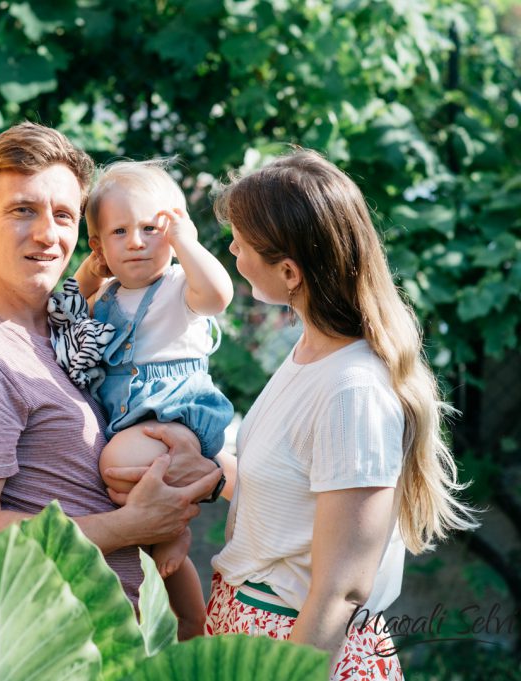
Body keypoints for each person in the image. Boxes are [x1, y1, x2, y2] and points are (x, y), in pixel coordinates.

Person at [0, 123, 222, 608]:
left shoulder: (65, 334)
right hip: (45, 650)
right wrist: (130, 526)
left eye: (63, 215)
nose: (47, 234)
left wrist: (188, 453)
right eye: (22, 210)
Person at [195, 150, 475, 679]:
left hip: (298, 651)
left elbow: (340, 590)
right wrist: (209, 472)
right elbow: (299, 501)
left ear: (289, 271)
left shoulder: (353, 391)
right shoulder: (309, 352)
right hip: (248, 633)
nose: (230, 248)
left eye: (242, 242)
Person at [50, 160, 233, 637]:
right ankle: (192, 621)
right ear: (99, 246)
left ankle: (174, 530)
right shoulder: (106, 295)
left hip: (177, 411)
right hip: (131, 417)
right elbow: (61, 310)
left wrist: (187, 244)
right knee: (152, 545)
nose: (137, 241)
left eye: (153, 228)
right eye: (120, 231)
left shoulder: (178, 288)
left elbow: (218, 296)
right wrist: (90, 275)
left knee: (121, 463)